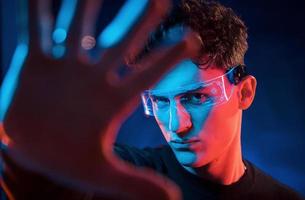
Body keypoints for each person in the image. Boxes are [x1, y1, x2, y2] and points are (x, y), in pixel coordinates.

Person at [0, 0, 303, 199]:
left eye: (196, 97)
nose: (176, 125)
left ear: (244, 93)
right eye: (160, 102)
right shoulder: (117, 176)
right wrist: (27, 163)